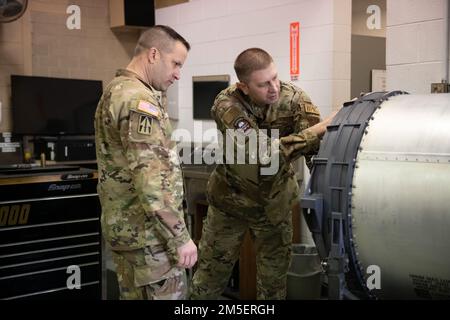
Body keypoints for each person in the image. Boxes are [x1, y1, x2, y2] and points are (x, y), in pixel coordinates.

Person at [190, 48, 336, 300]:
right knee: (209, 278)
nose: (274, 88)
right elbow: (261, 153)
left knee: (274, 285)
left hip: (274, 205)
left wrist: (330, 197)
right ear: (244, 87)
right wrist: (321, 129)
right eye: (263, 84)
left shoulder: (295, 100)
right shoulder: (227, 104)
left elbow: (317, 156)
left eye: (275, 78)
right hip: (230, 204)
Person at [95, 25, 197, 300]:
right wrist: (180, 238)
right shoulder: (139, 101)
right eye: (175, 63)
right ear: (153, 54)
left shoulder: (115, 90)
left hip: (128, 234)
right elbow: (152, 181)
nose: (178, 73)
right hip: (151, 240)